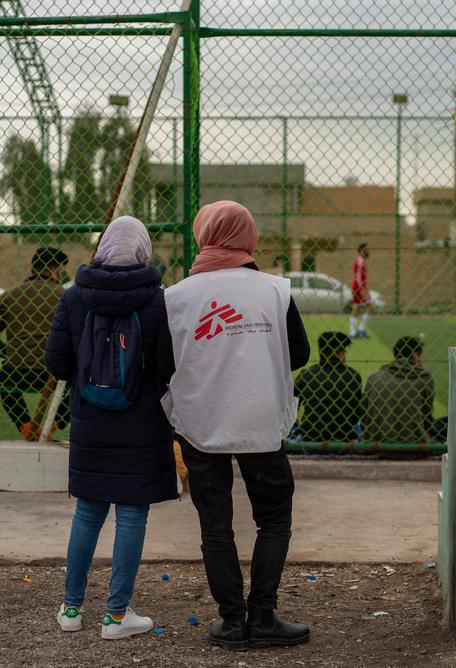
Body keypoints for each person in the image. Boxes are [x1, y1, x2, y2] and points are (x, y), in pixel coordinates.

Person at [159, 200, 311, 651]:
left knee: (215, 524)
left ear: (203, 235)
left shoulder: (176, 296)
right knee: (274, 519)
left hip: (200, 420)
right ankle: (262, 615)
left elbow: (164, 363)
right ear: (249, 236)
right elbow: (299, 353)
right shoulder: (274, 290)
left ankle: (231, 621)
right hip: (261, 415)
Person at [44, 216, 177, 640]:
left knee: (87, 513)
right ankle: (116, 617)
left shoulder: (74, 297)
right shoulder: (159, 301)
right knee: (132, 517)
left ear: (102, 248)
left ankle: (70, 609)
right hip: (142, 423)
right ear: (143, 248)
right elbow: (169, 365)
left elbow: (57, 362)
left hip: (90, 421)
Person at [0, 247, 70, 440]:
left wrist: (9, 352)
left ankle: (26, 426)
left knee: (4, 376)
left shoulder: (10, 295)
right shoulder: (65, 296)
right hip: (53, 371)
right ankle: (52, 425)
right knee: (80, 381)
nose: (62, 274)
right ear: (53, 269)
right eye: (61, 269)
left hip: (17, 370)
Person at [363, 336, 435, 444]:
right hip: (415, 444)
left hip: (376, 444)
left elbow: (364, 415)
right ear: (415, 355)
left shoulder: (374, 377)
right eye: (421, 355)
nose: (422, 360)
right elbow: (427, 417)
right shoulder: (424, 378)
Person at [294, 330, 362, 442]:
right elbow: (357, 414)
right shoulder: (353, 376)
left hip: (311, 435)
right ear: (341, 353)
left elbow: (291, 409)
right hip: (344, 436)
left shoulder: (307, 375)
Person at [350, 242, 373, 339]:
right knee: (371, 307)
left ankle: (352, 332)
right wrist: (362, 290)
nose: (369, 251)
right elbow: (358, 276)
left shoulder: (360, 260)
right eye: (367, 249)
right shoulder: (360, 260)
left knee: (356, 309)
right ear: (362, 250)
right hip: (360, 288)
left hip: (357, 287)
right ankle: (361, 329)